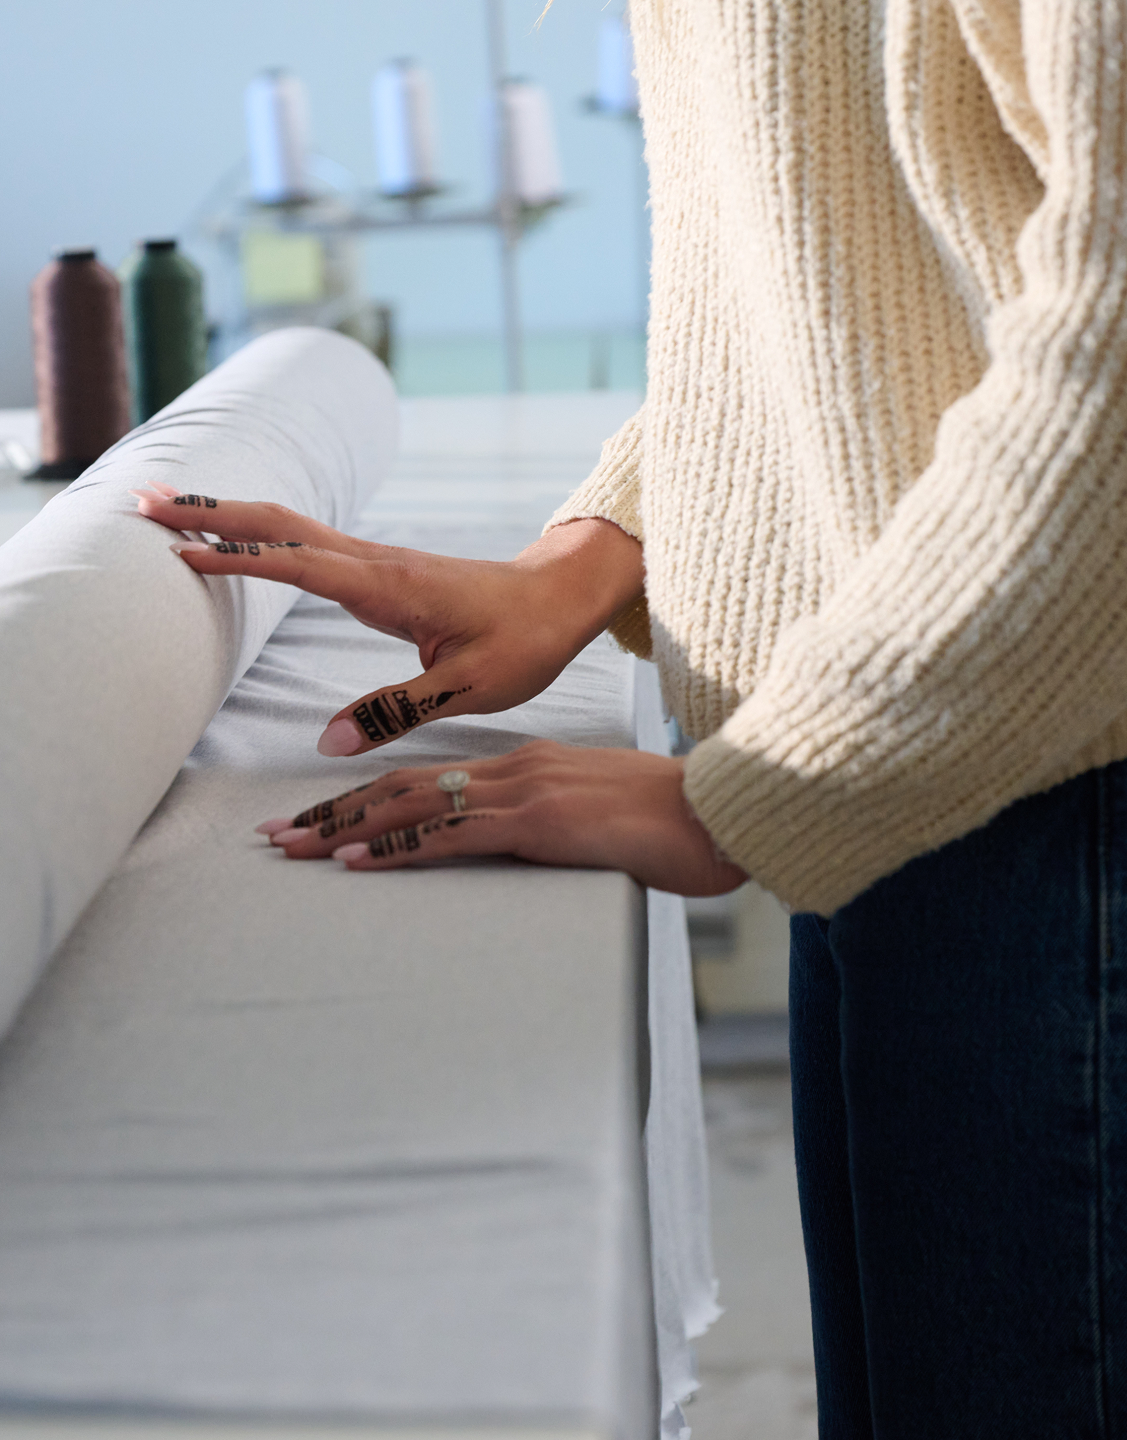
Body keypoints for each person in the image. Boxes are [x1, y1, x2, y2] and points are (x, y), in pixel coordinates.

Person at [136, 1, 1127, 1432]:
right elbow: (824, 279)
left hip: (1044, 782)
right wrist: (592, 554)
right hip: (927, 753)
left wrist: (787, 782)